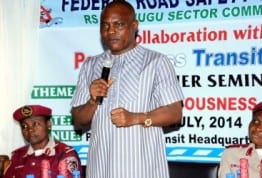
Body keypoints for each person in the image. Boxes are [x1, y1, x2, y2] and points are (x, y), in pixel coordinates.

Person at [70, 0, 184, 178]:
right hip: (100, 169)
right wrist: (92, 101)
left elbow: (174, 113)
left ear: (134, 26)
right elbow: (78, 120)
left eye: (118, 24)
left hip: (141, 169)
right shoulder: (91, 65)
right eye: (105, 26)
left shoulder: (155, 62)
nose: (111, 31)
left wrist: (136, 117)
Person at [3, 105, 83, 178]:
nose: (30, 129)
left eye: (36, 124)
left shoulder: (65, 154)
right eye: (24, 126)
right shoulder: (18, 156)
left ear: (48, 125)